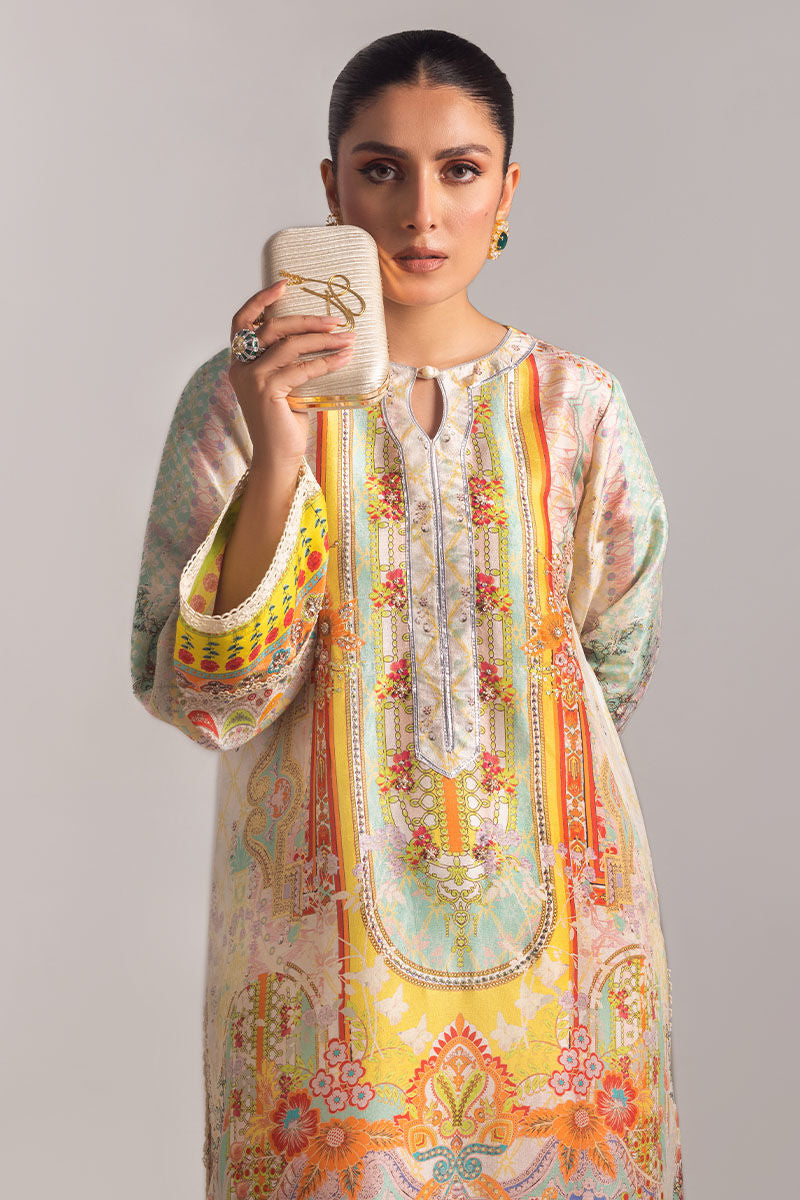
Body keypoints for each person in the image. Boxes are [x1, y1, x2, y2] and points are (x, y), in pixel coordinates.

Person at [131, 27, 683, 1200]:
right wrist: (281, 454)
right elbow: (206, 697)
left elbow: (611, 666)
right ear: (330, 188)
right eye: (379, 170)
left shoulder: (579, 407)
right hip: (322, 950)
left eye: (458, 170)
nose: (420, 213)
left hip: (565, 937)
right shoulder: (236, 400)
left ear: (505, 190)